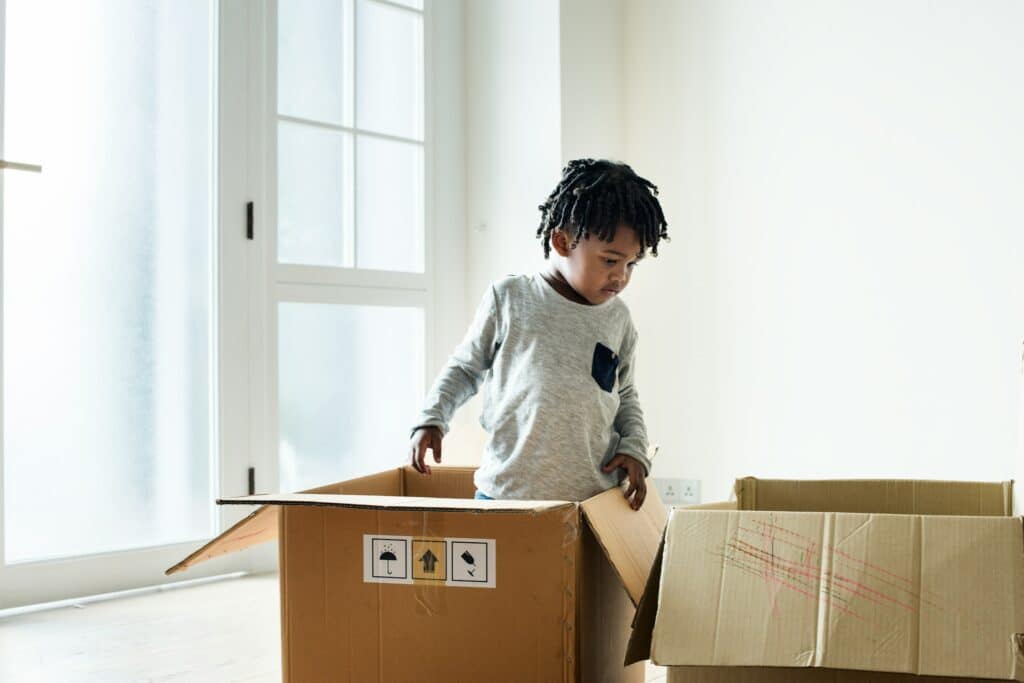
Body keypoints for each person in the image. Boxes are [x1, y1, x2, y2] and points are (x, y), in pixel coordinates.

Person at [408, 158, 669, 510]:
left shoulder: (617, 319)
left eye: (631, 264)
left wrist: (634, 446)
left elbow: (624, 394)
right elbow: (465, 368)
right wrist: (432, 418)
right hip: (505, 495)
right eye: (610, 261)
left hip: (590, 503)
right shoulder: (511, 298)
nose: (621, 277)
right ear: (562, 242)